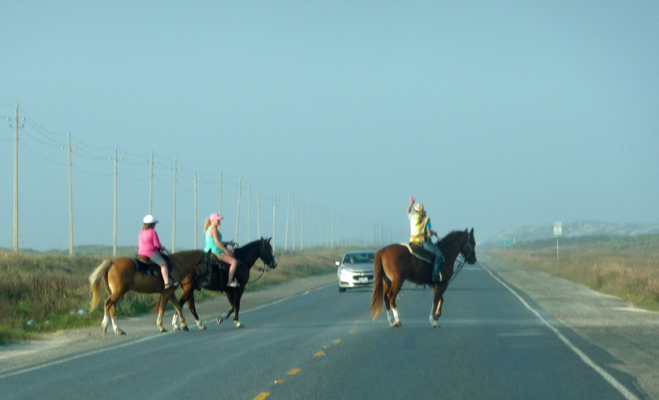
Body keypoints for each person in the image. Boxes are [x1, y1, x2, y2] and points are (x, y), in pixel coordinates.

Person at [407, 196, 444, 283]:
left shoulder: (411, 216)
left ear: (415, 210)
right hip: (422, 241)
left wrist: (411, 203)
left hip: (412, 241)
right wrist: (434, 233)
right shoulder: (426, 219)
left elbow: (408, 212)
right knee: (439, 255)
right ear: (422, 209)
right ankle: (435, 275)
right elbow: (429, 233)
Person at [138, 215, 176, 289]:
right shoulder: (153, 232)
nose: (155, 225)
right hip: (150, 253)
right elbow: (157, 245)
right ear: (152, 224)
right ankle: (167, 282)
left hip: (141, 252)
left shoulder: (141, 232)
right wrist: (163, 248)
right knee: (163, 264)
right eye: (155, 224)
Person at [204, 213, 239, 287]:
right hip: (216, 251)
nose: (219, 221)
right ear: (212, 220)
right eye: (218, 219)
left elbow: (217, 241)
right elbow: (217, 242)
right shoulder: (214, 229)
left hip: (209, 250)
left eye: (219, 219)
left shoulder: (210, 228)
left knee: (232, 255)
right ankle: (229, 282)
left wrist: (228, 243)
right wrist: (226, 251)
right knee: (234, 261)